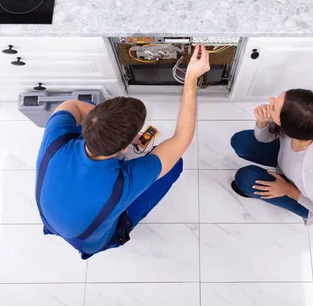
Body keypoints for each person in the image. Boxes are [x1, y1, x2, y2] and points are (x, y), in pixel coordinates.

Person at [35, 45, 210, 259]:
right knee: (175, 164)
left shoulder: (56, 137)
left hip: (51, 216)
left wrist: (115, 131)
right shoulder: (122, 184)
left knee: (85, 106)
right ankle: (118, 232)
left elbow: (72, 105)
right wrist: (191, 79)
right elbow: (182, 139)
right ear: (125, 148)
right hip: (92, 241)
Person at [230, 89, 313, 225]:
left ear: (287, 127)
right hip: (290, 161)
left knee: (246, 179)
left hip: (306, 193)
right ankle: (279, 172)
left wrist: (289, 190)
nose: (271, 100)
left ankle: (269, 190)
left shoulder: (310, 177)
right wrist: (263, 122)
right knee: (240, 142)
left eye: (274, 107)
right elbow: (264, 138)